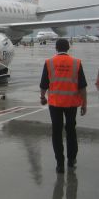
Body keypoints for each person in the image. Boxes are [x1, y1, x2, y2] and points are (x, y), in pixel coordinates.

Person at [40, 38, 87, 173]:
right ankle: (71, 160)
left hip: (55, 103)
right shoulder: (76, 63)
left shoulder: (49, 63)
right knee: (71, 131)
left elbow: (44, 84)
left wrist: (42, 97)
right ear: (68, 48)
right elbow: (82, 87)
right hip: (72, 103)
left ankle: (60, 164)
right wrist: (84, 104)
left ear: (56, 48)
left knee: (56, 132)